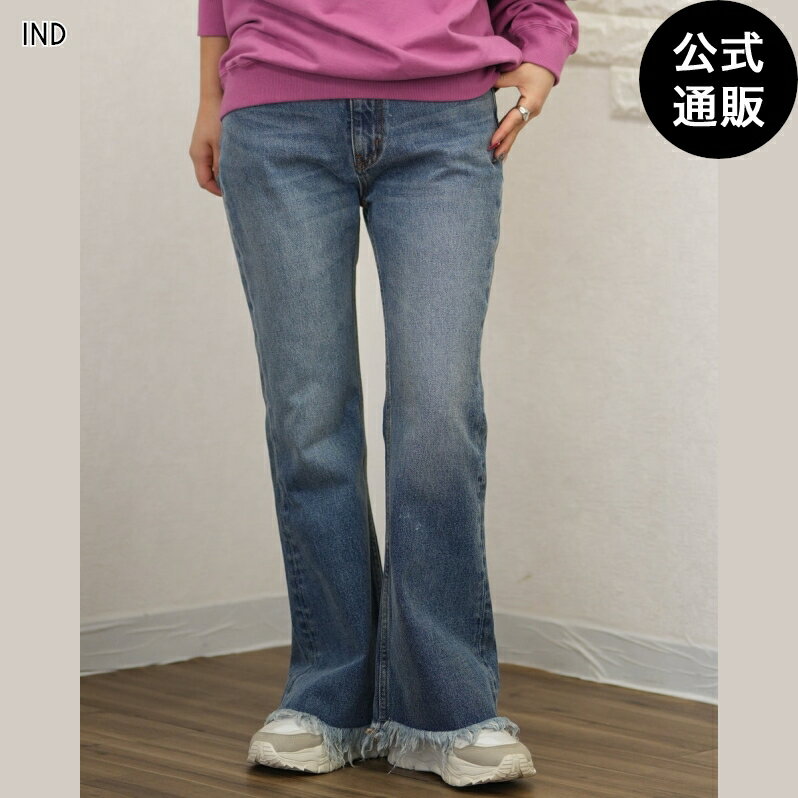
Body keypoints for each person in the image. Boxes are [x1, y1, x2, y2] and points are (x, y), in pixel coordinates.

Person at [189, 0, 578, 788]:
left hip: (443, 124)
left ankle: (449, 711)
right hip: (276, 118)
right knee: (308, 417)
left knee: (438, 414)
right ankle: (327, 702)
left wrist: (542, 56)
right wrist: (209, 98)